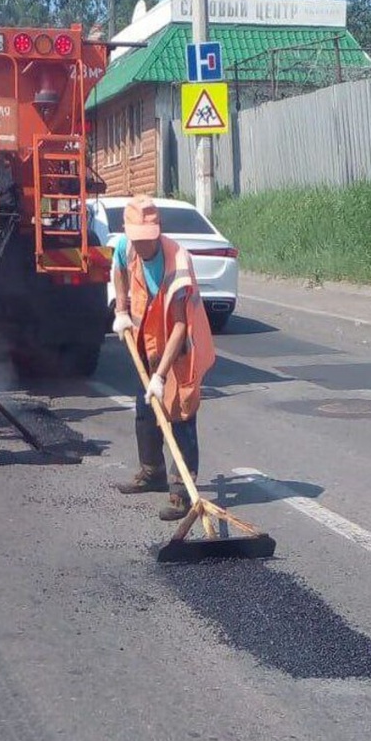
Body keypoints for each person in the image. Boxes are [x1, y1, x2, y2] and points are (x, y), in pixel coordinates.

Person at [111, 195, 216, 520]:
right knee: (146, 408)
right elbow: (119, 271)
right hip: (147, 335)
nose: (143, 247)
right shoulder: (124, 247)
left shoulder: (178, 260)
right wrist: (122, 310)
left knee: (181, 411)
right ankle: (152, 471)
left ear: (158, 232)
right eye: (137, 239)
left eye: (148, 239)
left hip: (181, 341)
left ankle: (181, 492)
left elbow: (182, 325)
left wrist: (161, 376)